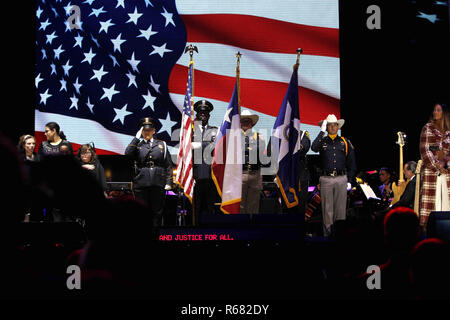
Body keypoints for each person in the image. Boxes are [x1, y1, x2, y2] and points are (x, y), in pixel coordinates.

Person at [311, 114, 356, 237]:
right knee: (327, 211)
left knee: (341, 211)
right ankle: (328, 237)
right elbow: (313, 148)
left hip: (342, 179)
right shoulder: (322, 141)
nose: (332, 127)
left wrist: (350, 180)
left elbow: (352, 163)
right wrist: (321, 132)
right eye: (329, 125)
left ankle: (339, 237)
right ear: (326, 127)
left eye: (334, 125)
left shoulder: (345, 142)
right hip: (326, 179)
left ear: (338, 126)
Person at [125, 117, 173, 227]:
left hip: (158, 182)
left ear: (154, 131)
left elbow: (168, 164)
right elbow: (127, 154)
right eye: (144, 130)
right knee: (141, 212)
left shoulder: (162, 145)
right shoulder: (137, 145)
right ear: (141, 132)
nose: (147, 132)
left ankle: (155, 238)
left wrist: (169, 182)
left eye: (149, 130)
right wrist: (136, 139)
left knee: (157, 213)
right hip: (141, 183)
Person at [419, 102, 450, 230]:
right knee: (433, 206)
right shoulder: (428, 128)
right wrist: (438, 165)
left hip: (447, 173)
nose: (435, 112)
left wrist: (446, 162)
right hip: (432, 172)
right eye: (434, 110)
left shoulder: (449, 132)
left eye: (438, 110)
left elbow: (444, 151)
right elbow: (425, 150)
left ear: (445, 113)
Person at [192, 100, 219, 224]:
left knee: (210, 207)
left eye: (205, 113)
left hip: (211, 176)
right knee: (195, 209)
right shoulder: (190, 132)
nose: (203, 115)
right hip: (195, 176)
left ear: (209, 115)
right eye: (200, 113)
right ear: (196, 115)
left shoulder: (216, 131)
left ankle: (211, 234)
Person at [240, 109, 266, 215]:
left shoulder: (259, 136)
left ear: (252, 123)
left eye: (248, 121)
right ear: (240, 123)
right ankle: (240, 229)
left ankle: (252, 229)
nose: (246, 123)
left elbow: (260, 151)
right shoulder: (235, 137)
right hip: (240, 174)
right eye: (244, 121)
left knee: (254, 205)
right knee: (240, 205)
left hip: (255, 174)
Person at [297, 129, 311, 217]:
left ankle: (300, 228)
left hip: (301, 176)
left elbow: (305, 147)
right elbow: (270, 151)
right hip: (285, 176)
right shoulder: (279, 133)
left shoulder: (303, 134)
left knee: (301, 206)